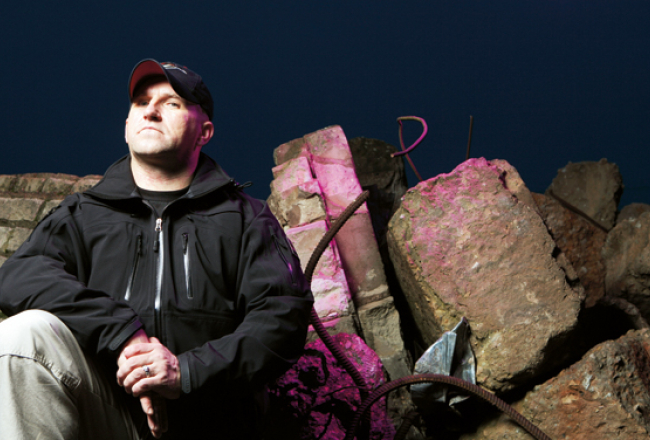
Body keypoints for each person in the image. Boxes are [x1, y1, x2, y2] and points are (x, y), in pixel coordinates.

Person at [0, 59, 313, 439]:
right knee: (22, 336)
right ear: (127, 127)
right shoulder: (82, 214)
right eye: (141, 102)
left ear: (204, 132)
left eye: (172, 103)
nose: (150, 111)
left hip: (211, 422)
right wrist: (120, 331)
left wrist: (184, 372)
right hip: (111, 417)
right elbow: (19, 274)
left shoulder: (247, 218)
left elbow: (282, 318)